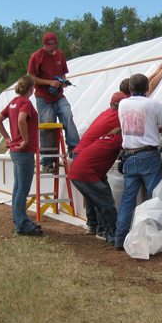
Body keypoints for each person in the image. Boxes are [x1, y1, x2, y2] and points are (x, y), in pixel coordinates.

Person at [114, 73, 162, 251]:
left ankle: (119, 238)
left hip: (130, 156)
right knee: (156, 197)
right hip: (148, 155)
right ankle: (158, 237)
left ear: (130, 89)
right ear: (147, 88)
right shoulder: (153, 104)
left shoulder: (123, 104)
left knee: (128, 200)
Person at [72, 91, 126, 237]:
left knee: (96, 197)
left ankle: (95, 226)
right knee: (103, 200)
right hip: (86, 161)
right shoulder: (120, 119)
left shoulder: (105, 113)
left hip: (81, 156)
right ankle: (108, 232)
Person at [0, 76, 43, 236]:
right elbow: (22, 120)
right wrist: (25, 139)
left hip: (15, 150)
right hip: (24, 151)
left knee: (17, 188)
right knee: (23, 189)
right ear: (31, 89)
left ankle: (20, 220)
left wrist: (8, 138)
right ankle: (22, 225)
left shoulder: (13, 102)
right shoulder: (25, 103)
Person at [28, 32, 80, 172]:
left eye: (54, 45)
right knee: (48, 126)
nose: (52, 49)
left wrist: (62, 81)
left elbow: (63, 73)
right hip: (43, 97)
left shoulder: (60, 55)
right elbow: (31, 77)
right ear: (44, 44)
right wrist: (49, 82)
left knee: (67, 115)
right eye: (49, 46)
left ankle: (75, 149)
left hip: (58, 95)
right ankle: (47, 162)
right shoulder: (36, 57)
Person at [68, 129, 123, 246]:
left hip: (76, 173)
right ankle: (115, 236)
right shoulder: (117, 140)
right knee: (107, 205)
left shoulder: (104, 138)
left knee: (99, 204)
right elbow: (137, 144)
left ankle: (105, 232)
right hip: (87, 174)